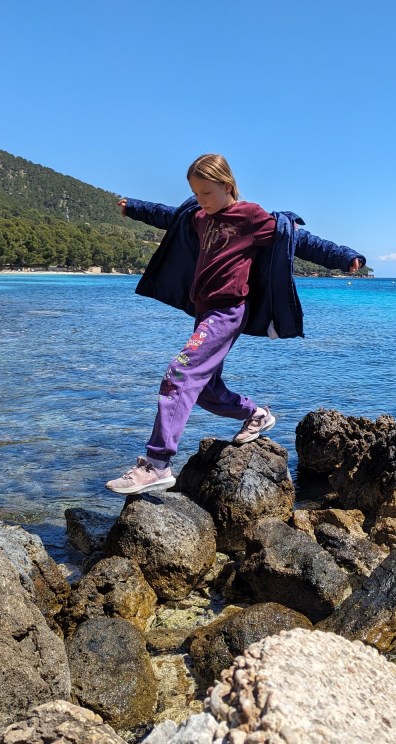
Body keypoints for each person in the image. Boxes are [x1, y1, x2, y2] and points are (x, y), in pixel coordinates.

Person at [106, 153, 366, 495]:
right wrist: (134, 207)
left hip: (228, 311)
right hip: (205, 311)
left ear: (227, 186)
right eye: (196, 194)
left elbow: (298, 238)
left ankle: (157, 464)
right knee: (205, 389)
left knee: (179, 375)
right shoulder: (199, 216)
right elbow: (169, 216)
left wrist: (343, 256)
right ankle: (256, 414)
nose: (201, 200)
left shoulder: (249, 216)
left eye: (207, 192)